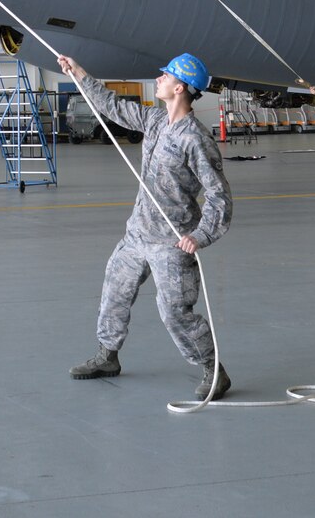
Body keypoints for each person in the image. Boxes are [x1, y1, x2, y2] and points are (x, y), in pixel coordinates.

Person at [58, 52, 233, 403]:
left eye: (166, 76)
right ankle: (108, 356)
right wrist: (79, 73)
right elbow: (113, 107)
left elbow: (219, 196)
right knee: (114, 291)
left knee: (175, 312)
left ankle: (214, 370)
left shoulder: (195, 139)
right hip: (138, 233)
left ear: (180, 87)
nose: (159, 79)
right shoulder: (155, 120)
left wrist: (200, 236)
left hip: (172, 241)